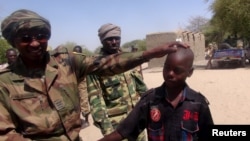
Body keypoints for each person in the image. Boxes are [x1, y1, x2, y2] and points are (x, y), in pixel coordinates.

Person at [0, 9, 188, 141]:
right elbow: (5, 133)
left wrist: (151, 53)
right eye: (25, 38)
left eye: (41, 36)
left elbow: (107, 63)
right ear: (13, 41)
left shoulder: (67, 63)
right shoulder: (5, 82)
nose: (34, 43)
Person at [98, 46, 214, 141]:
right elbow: (122, 132)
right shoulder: (150, 100)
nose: (170, 73)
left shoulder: (198, 103)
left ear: (190, 72)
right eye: (167, 67)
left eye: (177, 70)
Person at [86, 23, 148, 141]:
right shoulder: (95, 66)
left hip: (137, 121)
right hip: (117, 127)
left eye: (117, 38)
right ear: (102, 41)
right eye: (109, 39)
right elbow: (97, 103)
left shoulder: (128, 59)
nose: (114, 42)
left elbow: (142, 88)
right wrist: (108, 132)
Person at [73, 45, 91, 128]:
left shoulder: (83, 60)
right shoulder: (71, 60)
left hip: (81, 82)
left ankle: (86, 121)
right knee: (75, 102)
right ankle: (78, 120)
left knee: (84, 101)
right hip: (73, 82)